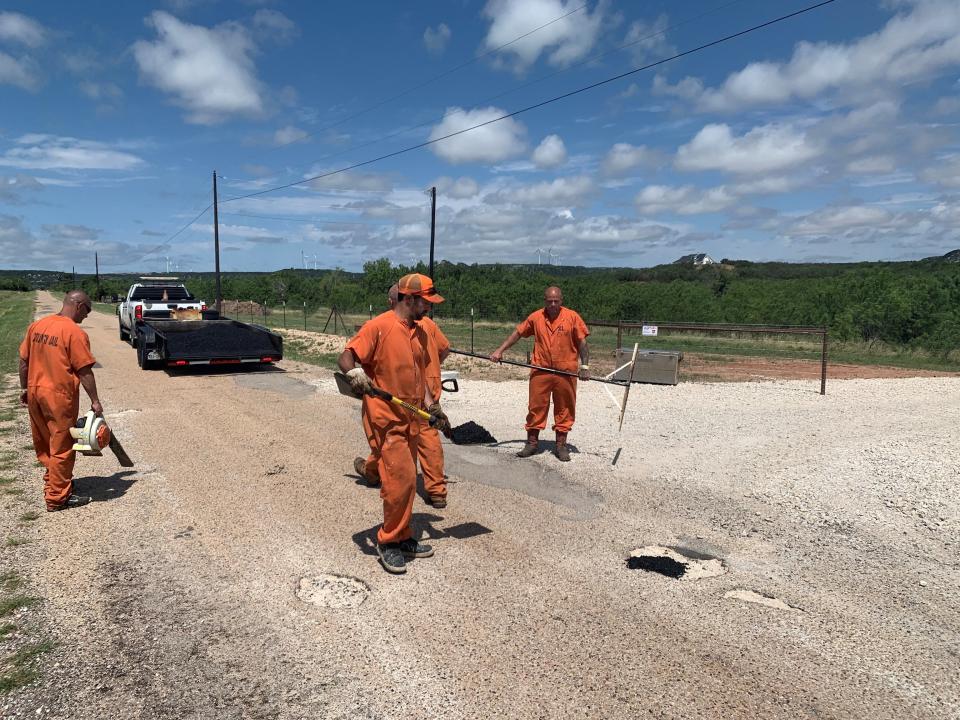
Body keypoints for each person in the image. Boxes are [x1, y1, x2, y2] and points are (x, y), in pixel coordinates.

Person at [338, 273, 444, 574]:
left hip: (411, 415)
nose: (429, 308)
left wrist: (431, 404)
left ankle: (402, 535)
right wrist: (355, 374)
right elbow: (346, 358)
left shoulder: (420, 331)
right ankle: (386, 542)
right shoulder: (379, 327)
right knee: (401, 481)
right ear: (408, 299)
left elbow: (421, 372)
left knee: (408, 482)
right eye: (425, 302)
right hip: (385, 419)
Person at [354, 284, 452, 508]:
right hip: (424, 393)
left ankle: (372, 473)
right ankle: (436, 491)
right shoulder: (424, 325)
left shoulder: (409, 326)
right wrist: (431, 374)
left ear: (395, 302)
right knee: (428, 441)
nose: (426, 308)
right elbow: (444, 349)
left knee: (387, 445)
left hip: (404, 398)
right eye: (425, 303)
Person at [19, 290, 103, 511]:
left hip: (35, 392)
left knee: (46, 442)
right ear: (79, 305)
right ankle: (57, 498)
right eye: (88, 310)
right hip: (58, 396)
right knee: (63, 445)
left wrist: (24, 388)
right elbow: (84, 371)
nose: (87, 316)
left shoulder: (37, 326)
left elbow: (23, 363)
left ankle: (54, 482)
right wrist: (95, 401)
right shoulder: (74, 332)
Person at [490, 286, 589, 462]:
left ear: (561, 300)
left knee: (565, 408)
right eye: (549, 301)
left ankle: (561, 446)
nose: (552, 304)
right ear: (545, 301)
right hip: (541, 370)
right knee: (536, 407)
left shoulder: (572, 317)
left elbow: (582, 342)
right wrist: (500, 350)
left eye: (556, 301)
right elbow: (518, 333)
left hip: (566, 372)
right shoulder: (536, 317)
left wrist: (585, 366)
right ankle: (532, 443)